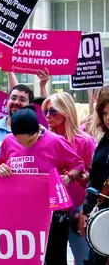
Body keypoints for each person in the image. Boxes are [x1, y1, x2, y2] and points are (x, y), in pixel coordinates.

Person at [0, 106, 85, 265]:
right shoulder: (8, 141)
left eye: (30, 141)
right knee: (24, 257)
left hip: (53, 213)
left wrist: (69, 177)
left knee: (54, 258)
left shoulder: (55, 141)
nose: (26, 146)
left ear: (38, 129)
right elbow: (0, 164)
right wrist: (1, 168)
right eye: (20, 142)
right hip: (21, 211)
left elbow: (78, 165)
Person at [42, 92, 96, 264]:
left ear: (66, 112)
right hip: (51, 210)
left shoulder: (85, 141)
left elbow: (94, 179)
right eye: (46, 112)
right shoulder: (44, 141)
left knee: (83, 259)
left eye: (53, 112)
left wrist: (78, 174)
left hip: (78, 209)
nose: (48, 116)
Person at [79, 89, 109, 265]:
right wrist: (86, 210)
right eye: (104, 113)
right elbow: (95, 179)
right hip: (100, 219)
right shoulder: (104, 139)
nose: (107, 118)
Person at [0, 84, 34, 157]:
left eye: (22, 100)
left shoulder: (38, 133)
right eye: (13, 98)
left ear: (30, 106)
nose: (16, 102)